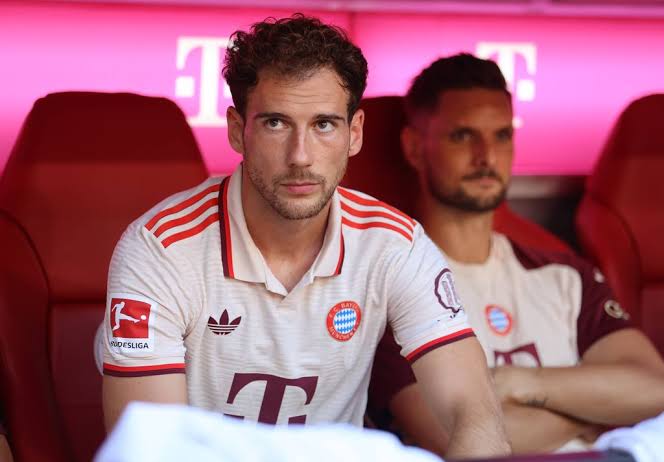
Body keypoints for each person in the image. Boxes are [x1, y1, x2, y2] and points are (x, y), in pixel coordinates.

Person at [99, 16, 509, 458]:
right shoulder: (161, 249)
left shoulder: (395, 244)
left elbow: (474, 414)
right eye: (276, 123)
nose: (300, 157)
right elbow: (152, 450)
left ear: (355, 133)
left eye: (324, 125)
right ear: (237, 130)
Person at [367, 53, 664, 455]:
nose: (486, 156)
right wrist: (599, 412)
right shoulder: (389, 284)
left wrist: (518, 384)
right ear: (415, 147)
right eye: (463, 136)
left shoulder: (565, 274)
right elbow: (457, 437)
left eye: (502, 135)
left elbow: (654, 388)